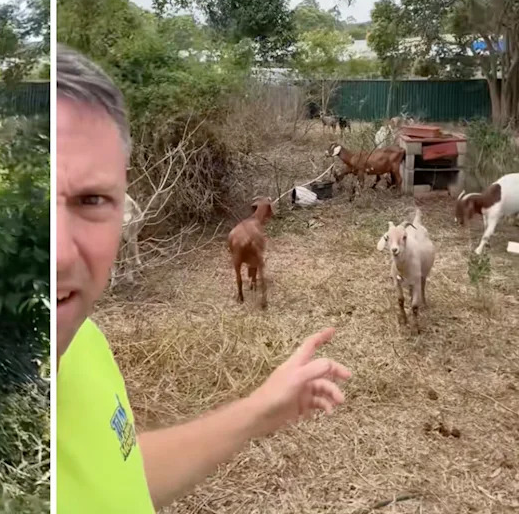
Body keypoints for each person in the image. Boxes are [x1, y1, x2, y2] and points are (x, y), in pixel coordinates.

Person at [56, 45, 353, 513]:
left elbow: (118, 468)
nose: (58, 255)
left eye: (91, 200)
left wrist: (257, 410)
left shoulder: (87, 341)